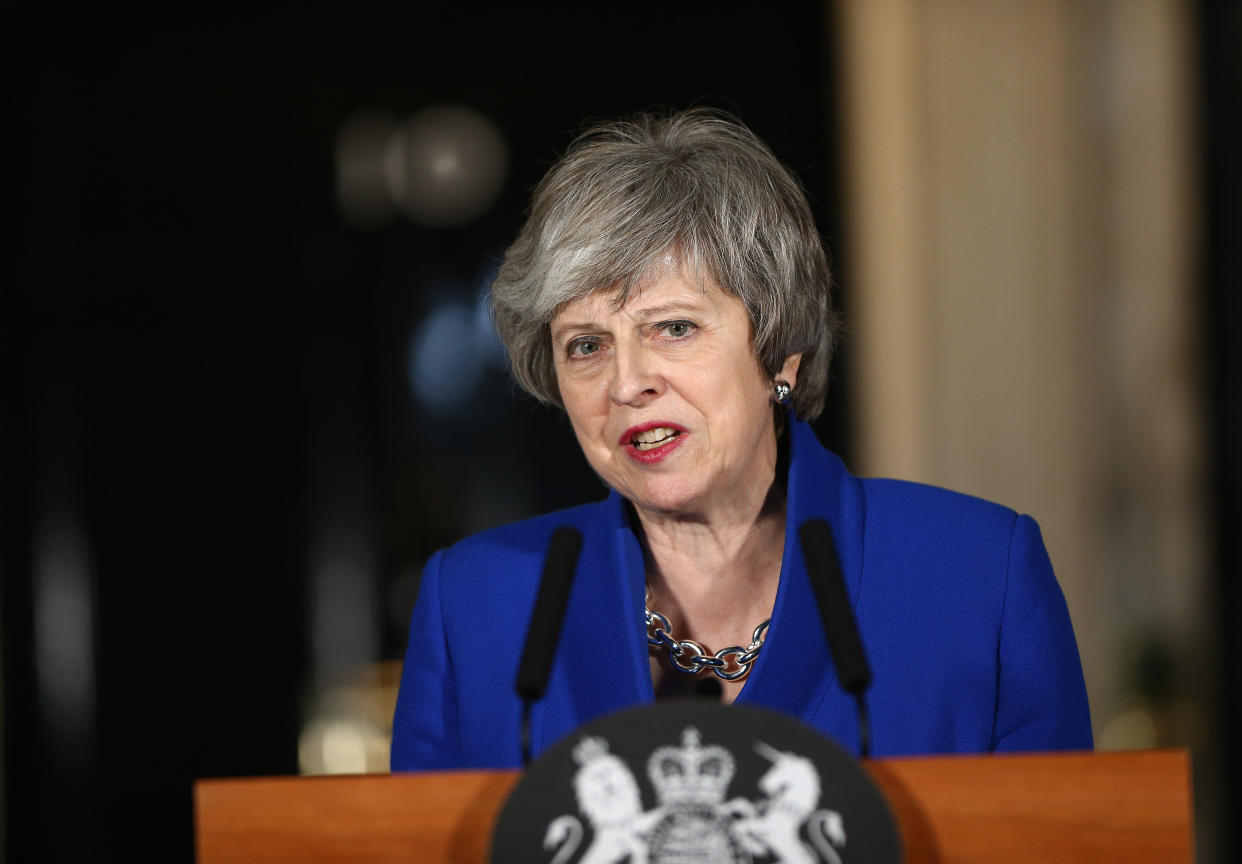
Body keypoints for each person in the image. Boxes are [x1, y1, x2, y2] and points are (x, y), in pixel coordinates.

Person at [390, 109, 1091, 771]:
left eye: (674, 328)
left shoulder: (976, 578)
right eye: (586, 345)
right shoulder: (478, 607)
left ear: (780, 353)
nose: (628, 382)